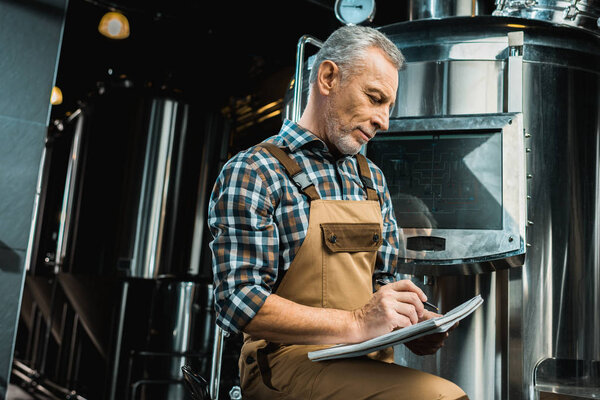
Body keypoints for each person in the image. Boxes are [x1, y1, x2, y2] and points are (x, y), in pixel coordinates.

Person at [207, 25, 468, 399]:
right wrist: (358, 322)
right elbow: (238, 301)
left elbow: (381, 279)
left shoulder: (371, 178)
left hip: (367, 362)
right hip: (285, 365)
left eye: (389, 107)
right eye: (375, 98)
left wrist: (412, 323)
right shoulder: (255, 171)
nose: (384, 121)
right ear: (329, 77)